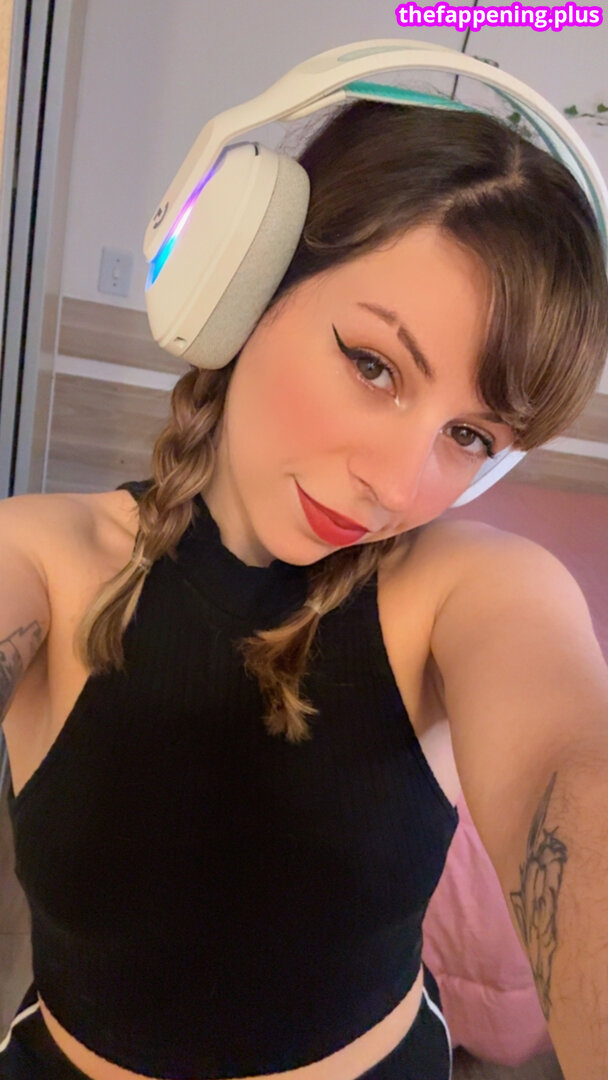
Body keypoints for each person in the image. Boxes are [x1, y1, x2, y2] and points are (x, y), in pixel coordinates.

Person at [1, 94, 608, 1080]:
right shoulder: (41, 559)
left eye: (468, 436)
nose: (397, 486)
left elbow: (572, 772)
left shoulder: (475, 590)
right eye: (372, 365)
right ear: (242, 282)